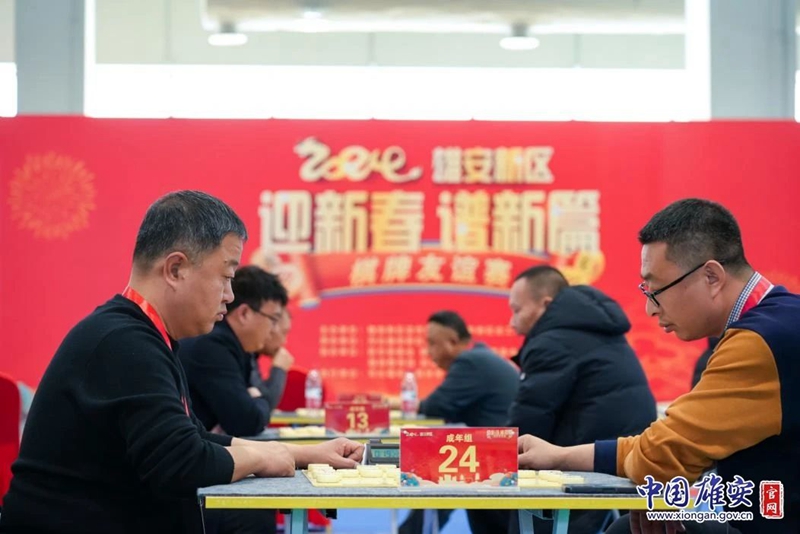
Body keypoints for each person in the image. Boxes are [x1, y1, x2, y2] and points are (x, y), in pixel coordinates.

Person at [0, 191, 363, 534]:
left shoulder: (146, 336)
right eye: (226, 277)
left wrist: (305, 454)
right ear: (175, 269)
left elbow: (195, 438)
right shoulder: (123, 342)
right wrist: (264, 459)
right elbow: (182, 462)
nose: (229, 296)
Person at [518, 198, 798, 534]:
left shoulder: (759, 342)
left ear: (711, 276)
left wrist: (565, 457)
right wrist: (559, 456)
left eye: (656, 290)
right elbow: (664, 445)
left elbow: (659, 454)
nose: (651, 309)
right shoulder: (782, 318)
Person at [507, 265, 657, 534]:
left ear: (545, 305)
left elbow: (530, 418)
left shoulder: (552, 342)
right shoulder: (593, 328)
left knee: (519, 504)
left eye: (517, 310)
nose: (512, 322)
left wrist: (502, 455)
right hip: (630, 447)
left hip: (595, 454)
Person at [399, 310, 520, 534]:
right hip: (502, 451)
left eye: (432, 344)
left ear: (453, 342)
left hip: (501, 457)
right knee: (446, 477)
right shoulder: (481, 357)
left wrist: (398, 405)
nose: (428, 352)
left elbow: (436, 405)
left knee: (443, 477)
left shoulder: (470, 362)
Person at [180, 265, 288, 437]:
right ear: (244, 313)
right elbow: (247, 422)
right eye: (273, 319)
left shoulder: (236, 346)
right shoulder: (213, 346)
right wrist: (258, 398)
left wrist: (256, 399)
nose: (273, 330)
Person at [250, 309, 294, 405]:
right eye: (284, 332)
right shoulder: (245, 354)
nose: (284, 341)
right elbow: (266, 403)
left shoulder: (252, 357)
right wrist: (279, 369)